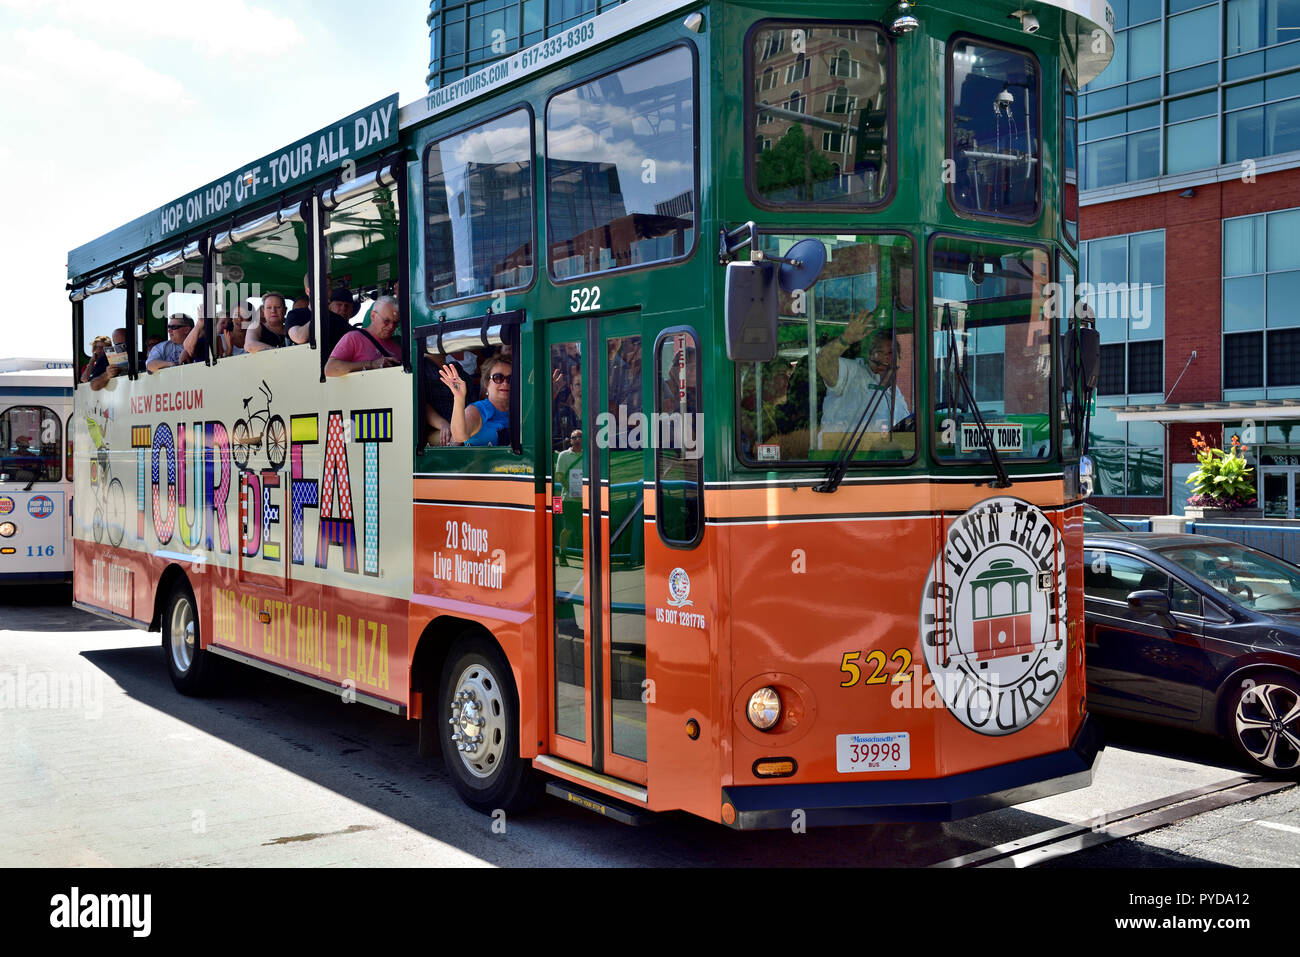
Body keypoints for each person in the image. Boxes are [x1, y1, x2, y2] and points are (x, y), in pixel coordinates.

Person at [815, 311, 909, 448]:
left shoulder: (896, 395)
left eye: (891, 353)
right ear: (868, 355)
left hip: (882, 464)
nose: (886, 358)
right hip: (840, 461)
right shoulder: (851, 372)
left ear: (898, 358)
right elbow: (823, 362)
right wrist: (845, 339)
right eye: (879, 352)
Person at [440, 352, 510, 446]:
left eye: (510, 378)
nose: (505, 383)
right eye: (497, 377)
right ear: (486, 383)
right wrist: (459, 398)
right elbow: (459, 437)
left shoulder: (522, 409)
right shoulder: (477, 410)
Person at [324, 295, 402, 376]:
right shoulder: (353, 338)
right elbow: (330, 369)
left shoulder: (397, 346)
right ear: (373, 316)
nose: (391, 327)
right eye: (386, 321)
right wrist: (371, 364)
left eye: (395, 323)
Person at [419, 351, 468, 446]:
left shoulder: (456, 367)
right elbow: (420, 404)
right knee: (456, 438)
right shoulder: (421, 366)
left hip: (461, 422)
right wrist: (443, 424)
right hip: (434, 429)